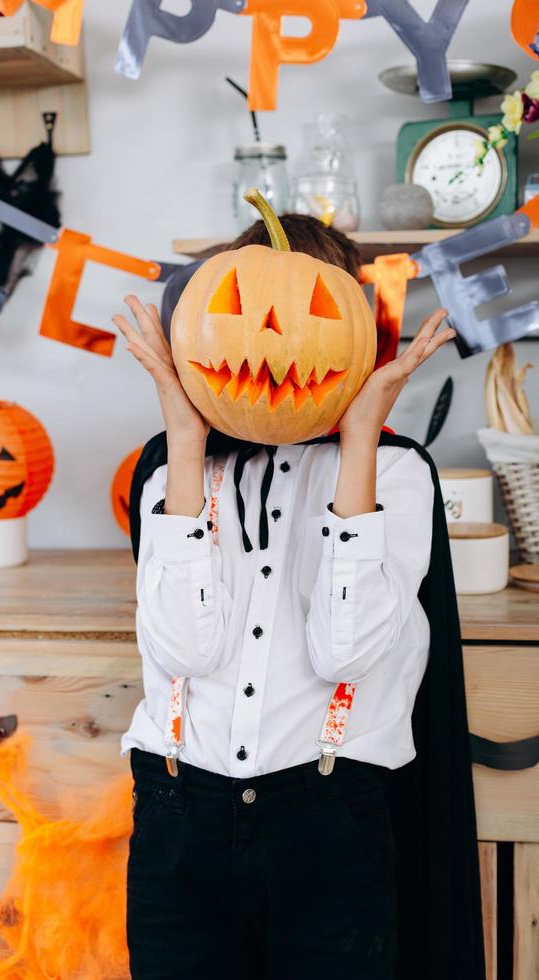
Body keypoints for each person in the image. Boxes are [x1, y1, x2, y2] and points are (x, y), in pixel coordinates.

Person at [112, 215, 456, 980]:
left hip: (328, 825)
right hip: (178, 821)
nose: (274, 336)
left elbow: (348, 652)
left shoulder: (396, 476)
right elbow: (183, 650)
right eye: (243, 307)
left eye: (313, 313)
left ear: (356, 332)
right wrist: (184, 435)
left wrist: (360, 437)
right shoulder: (171, 475)